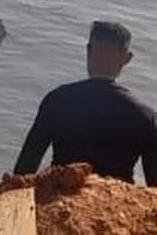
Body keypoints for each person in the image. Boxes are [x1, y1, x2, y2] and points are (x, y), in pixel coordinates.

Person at [14, 20, 157, 184]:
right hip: (116, 203)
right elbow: (154, 185)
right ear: (127, 58)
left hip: (59, 198)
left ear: (88, 50)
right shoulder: (145, 116)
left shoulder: (57, 100)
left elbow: (24, 169)